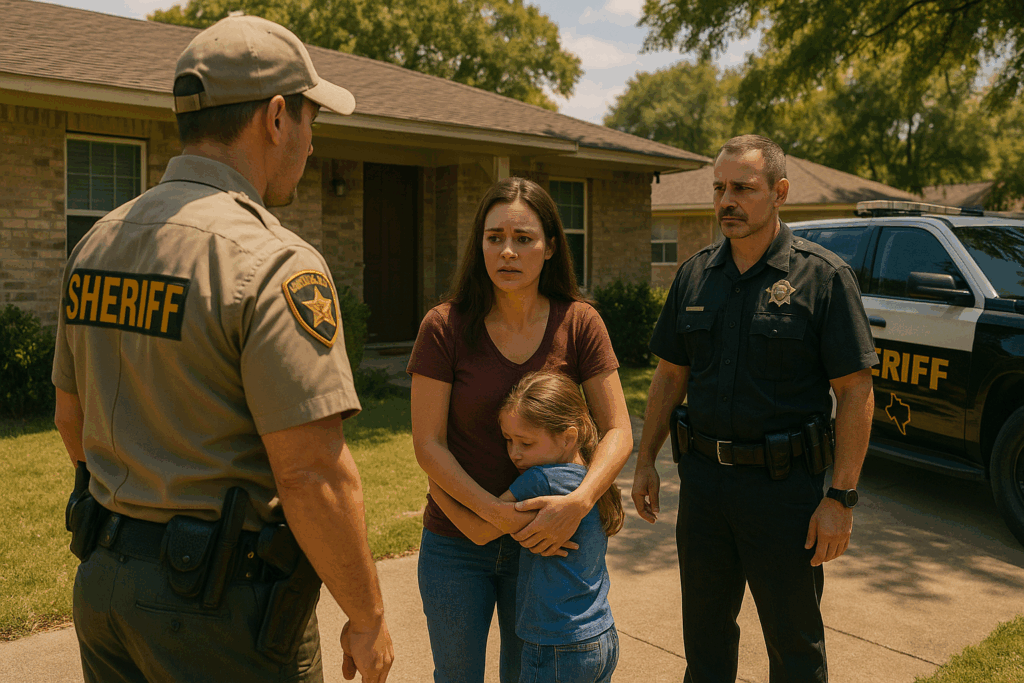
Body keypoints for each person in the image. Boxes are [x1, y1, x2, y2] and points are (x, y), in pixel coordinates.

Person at [52, 16, 392, 683]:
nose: (312, 142)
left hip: (105, 583)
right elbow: (310, 473)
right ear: (274, 118)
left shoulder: (98, 241)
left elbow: (72, 422)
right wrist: (369, 615)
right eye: (310, 119)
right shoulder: (274, 261)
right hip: (216, 610)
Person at [631, 134, 877, 683]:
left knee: (794, 648)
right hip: (705, 492)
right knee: (705, 642)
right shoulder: (695, 275)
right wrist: (646, 460)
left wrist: (840, 498)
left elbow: (856, 393)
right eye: (719, 188)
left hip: (784, 494)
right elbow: (671, 375)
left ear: (779, 192)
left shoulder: (823, 277)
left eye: (742, 188)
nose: (726, 201)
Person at [408, 176, 633, 683]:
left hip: (545, 543)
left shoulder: (580, 323)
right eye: (494, 238)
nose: (507, 252)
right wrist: (495, 515)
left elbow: (618, 430)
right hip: (456, 543)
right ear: (479, 244)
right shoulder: (443, 326)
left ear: (551, 247)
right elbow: (428, 444)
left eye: (524, 238)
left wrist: (578, 504)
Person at [428, 371, 621, 683]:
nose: (515, 453)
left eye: (526, 442)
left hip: (555, 647)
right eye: (508, 440)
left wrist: (437, 487)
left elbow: (479, 531)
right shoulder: (595, 480)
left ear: (568, 436)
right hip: (601, 637)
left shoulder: (540, 480)